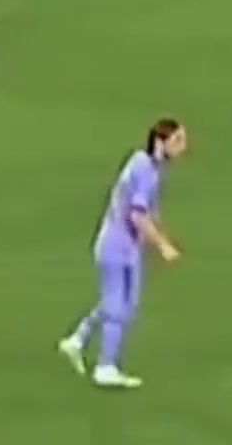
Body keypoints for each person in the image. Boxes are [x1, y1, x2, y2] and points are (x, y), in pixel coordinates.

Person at [58, 119, 186, 390]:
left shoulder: (147, 164)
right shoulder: (146, 170)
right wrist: (162, 246)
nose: (183, 147)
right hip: (116, 247)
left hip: (128, 248)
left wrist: (160, 235)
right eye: (177, 140)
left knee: (124, 305)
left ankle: (78, 338)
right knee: (117, 307)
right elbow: (137, 215)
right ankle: (105, 367)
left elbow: (148, 209)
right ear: (160, 142)